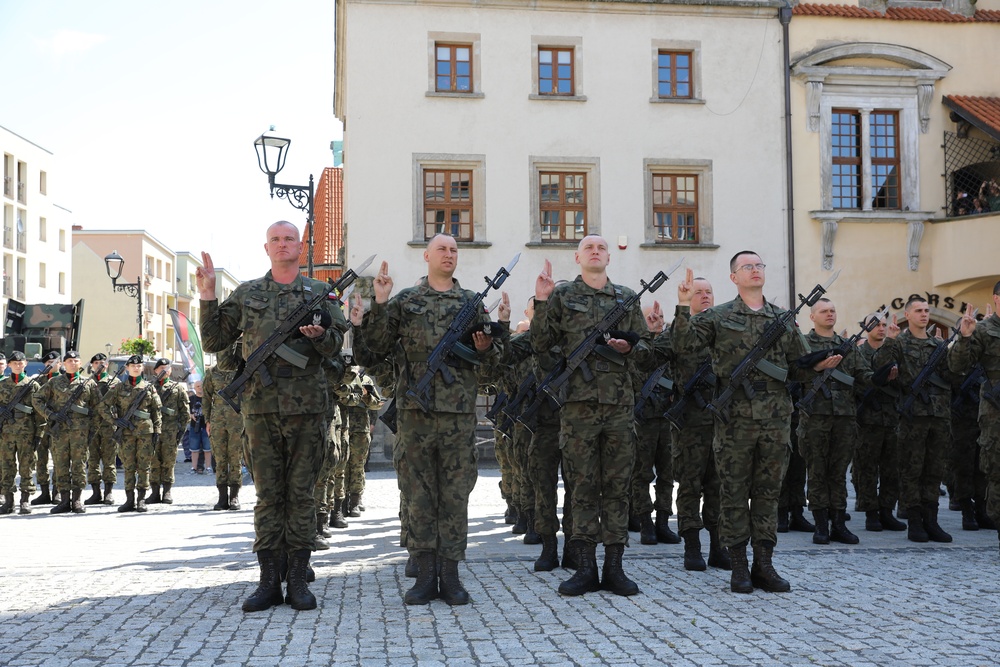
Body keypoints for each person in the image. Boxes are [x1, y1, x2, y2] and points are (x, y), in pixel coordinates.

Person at [199, 220, 347, 613]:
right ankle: (268, 579)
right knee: (268, 495)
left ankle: (298, 577)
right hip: (260, 408)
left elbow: (336, 346)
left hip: (308, 410)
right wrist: (208, 295)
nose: (283, 245)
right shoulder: (247, 294)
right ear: (266, 248)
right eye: (275, 240)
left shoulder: (320, 293)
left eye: (289, 239)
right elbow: (215, 340)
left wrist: (320, 337)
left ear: (301, 248)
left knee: (301, 494)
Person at [671, 251, 841, 594]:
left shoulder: (781, 318)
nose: (754, 270)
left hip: (776, 419)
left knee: (768, 494)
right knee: (733, 493)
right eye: (747, 267)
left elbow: (797, 366)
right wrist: (682, 306)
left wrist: (817, 368)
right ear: (734, 277)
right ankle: (738, 566)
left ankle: (764, 564)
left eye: (759, 265)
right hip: (734, 420)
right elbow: (684, 347)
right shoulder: (718, 317)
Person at [358, 233, 509, 606]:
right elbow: (374, 347)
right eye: (442, 248)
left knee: (456, 495)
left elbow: (495, 364)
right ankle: (425, 575)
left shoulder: (472, 304)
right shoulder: (406, 301)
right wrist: (379, 301)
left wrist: (487, 346)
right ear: (426, 256)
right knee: (418, 495)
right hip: (416, 415)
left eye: (454, 250)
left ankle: (451, 575)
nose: (449, 254)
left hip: (458, 416)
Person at [531, 235, 652, 597]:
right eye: (589, 248)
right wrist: (540, 301)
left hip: (618, 407)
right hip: (578, 409)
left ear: (609, 257)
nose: (596, 252)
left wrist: (629, 346)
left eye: (601, 248)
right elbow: (540, 344)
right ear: (578, 257)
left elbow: (647, 350)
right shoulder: (563, 297)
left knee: (617, 486)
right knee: (581, 486)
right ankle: (584, 567)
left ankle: (614, 567)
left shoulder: (626, 297)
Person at [652, 271, 730, 570]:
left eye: (709, 291)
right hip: (691, 421)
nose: (706, 296)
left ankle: (719, 545)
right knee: (690, 483)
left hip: (721, 420)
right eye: (699, 292)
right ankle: (692, 546)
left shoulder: (725, 329)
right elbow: (654, 358)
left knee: (719, 485)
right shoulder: (679, 330)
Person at [873, 297, 956, 543]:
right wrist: (889, 340)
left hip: (939, 415)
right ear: (907, 315)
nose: (923, 314)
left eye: (926, 310)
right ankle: (915, 522)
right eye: (918, 310)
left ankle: (932, 520)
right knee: (912, 470)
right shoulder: (900, 343)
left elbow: (952, 375)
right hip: (912, 416)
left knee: (934, 470)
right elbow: (879, 366)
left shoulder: (937, 345)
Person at [796, 298, 871, 545]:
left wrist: (881, 375)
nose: (829, 314)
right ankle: (820, 526)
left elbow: (863, 376)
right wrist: (816, 368)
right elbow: (792, 372)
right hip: (815, 418)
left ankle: (839, 524)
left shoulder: (847, 346)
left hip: (844, 419)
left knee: (838, 473)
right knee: (817, 471)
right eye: (823, 311)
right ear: (812, 317)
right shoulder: (803, 345)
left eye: (832, 310)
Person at [950, 292, 1000, 555]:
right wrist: (965, 336)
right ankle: (979, 512)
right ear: (996, 298)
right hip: (991, 416)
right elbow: (957, 366)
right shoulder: (984, 330)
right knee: (990, 471)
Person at [32, 351, 100, 515]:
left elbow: (99, 409)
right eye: (69, 361)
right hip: (59, 432)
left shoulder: (88, 384)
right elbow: (36, 398)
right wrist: (50, 414)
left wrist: (92, 431)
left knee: (79, 466)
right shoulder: (54, 382)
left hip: (80, 433)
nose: (73, 363)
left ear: (80, 363)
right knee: (61, 466)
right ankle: (63, 500)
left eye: (76, 360)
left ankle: (76, 500)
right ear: (63, 364)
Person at [855, 316, 906, 532]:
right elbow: (858, 381)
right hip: (867, 420)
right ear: (865, 327)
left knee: (891, 468)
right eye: (876, 324)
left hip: (892, 417)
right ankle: (871, 513)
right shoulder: (858, 353)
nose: (881, 328)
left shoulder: (895, 351)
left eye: (884, 325)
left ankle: (887, 510)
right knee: (867, 468)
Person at [99, 355, 162, 513]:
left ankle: (141, 499)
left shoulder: (149, 387)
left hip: (145, 432)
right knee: (128, 466)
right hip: (126, 433)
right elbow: (102, 406)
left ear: (142, 368)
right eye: (132, 365)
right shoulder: (119, 388)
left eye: (139, 365)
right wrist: (114, 420)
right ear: (127, 368)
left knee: (144, 466)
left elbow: (156, 412)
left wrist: (157, 431)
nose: (136, 367)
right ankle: (129, 500)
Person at [0, 351, 44, 515]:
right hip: (6, 434)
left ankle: (25, 501)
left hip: (27, 434)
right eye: (14, 363)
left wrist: (39, 435)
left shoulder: (33, 385)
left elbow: (40, 414)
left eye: (21, 363)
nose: (18, 365)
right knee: (7, 468)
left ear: (25, 364)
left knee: (26, 468)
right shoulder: (2, 385)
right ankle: (8, 502)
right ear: (9, 365)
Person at [202, 350, 245, 511]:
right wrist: (207, 420)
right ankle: (222, 498)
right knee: (220, 459)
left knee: (235, 458)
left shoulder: (241, 370)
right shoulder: (212, 372)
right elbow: (206, 397)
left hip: (237, 419)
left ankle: (234, 497)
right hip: (217, 420)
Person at [149, 359, 190, 504]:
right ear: (155, 370)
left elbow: (185, 413)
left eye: (167, 368)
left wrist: (180, 433)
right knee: (153, 461)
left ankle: (167, 492)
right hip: (152, 430)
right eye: (161, 368)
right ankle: (154, 492)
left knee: (168, 462)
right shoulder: (149, 388)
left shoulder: (177, 388)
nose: (165, 370)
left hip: (170, 431)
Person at [84, 353, 122, 506]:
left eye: (103, 362)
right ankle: (95, 493)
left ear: (107, 365)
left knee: (109, 460)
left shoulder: (116, 382)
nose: (100, 365)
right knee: (92, 460)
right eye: (96, 362)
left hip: (109, 425)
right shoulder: (86, 382)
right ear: (92, 365)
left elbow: (121, 404)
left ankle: (108, 493)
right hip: (91, 425)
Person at [29, 350, 62, 506]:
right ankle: (44, 492)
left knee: (58, 459)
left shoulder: (63, 380)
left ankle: (57, 492)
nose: (51, 365)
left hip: (59, 426)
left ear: (60, 364)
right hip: (41, 425)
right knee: (41, 460)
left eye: (54, 362)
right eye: (48, 363)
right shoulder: (37, 381)